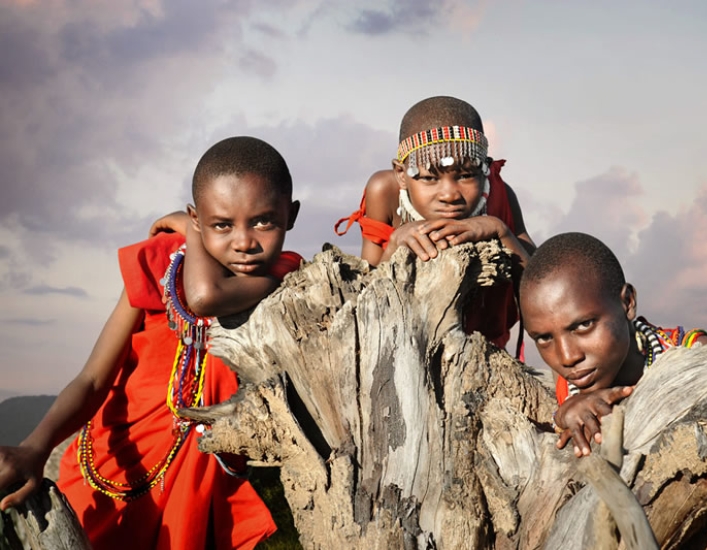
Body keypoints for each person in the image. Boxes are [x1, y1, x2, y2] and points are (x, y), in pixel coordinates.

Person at [0, 136, 301, 550]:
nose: (244, 241)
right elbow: (91, 379)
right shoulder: (161, 261)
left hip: (192, 485)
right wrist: (35, 447)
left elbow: (204, 296)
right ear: (199, 219)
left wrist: (191, 229)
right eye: (221, 224)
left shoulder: (286, 276)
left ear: (291, 215)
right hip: (106, 470)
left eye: (264, 221)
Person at [335, 96, 535, 349]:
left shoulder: (500, 196)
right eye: (430, 178)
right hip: (398, 349)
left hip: (485, 352)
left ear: (484, 168)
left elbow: (541, 287)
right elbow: (366, 296)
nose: (449, 194)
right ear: (401, 175)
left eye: (465, 176)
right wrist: (396, 242)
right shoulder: (384, 191)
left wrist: (501, 231)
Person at [519, 232, 707, 458]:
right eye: (544, 338)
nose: (567, 357)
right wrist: (562, 416)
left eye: (583, 325)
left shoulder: (694, 354)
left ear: (627, 302)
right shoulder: (567, 384)